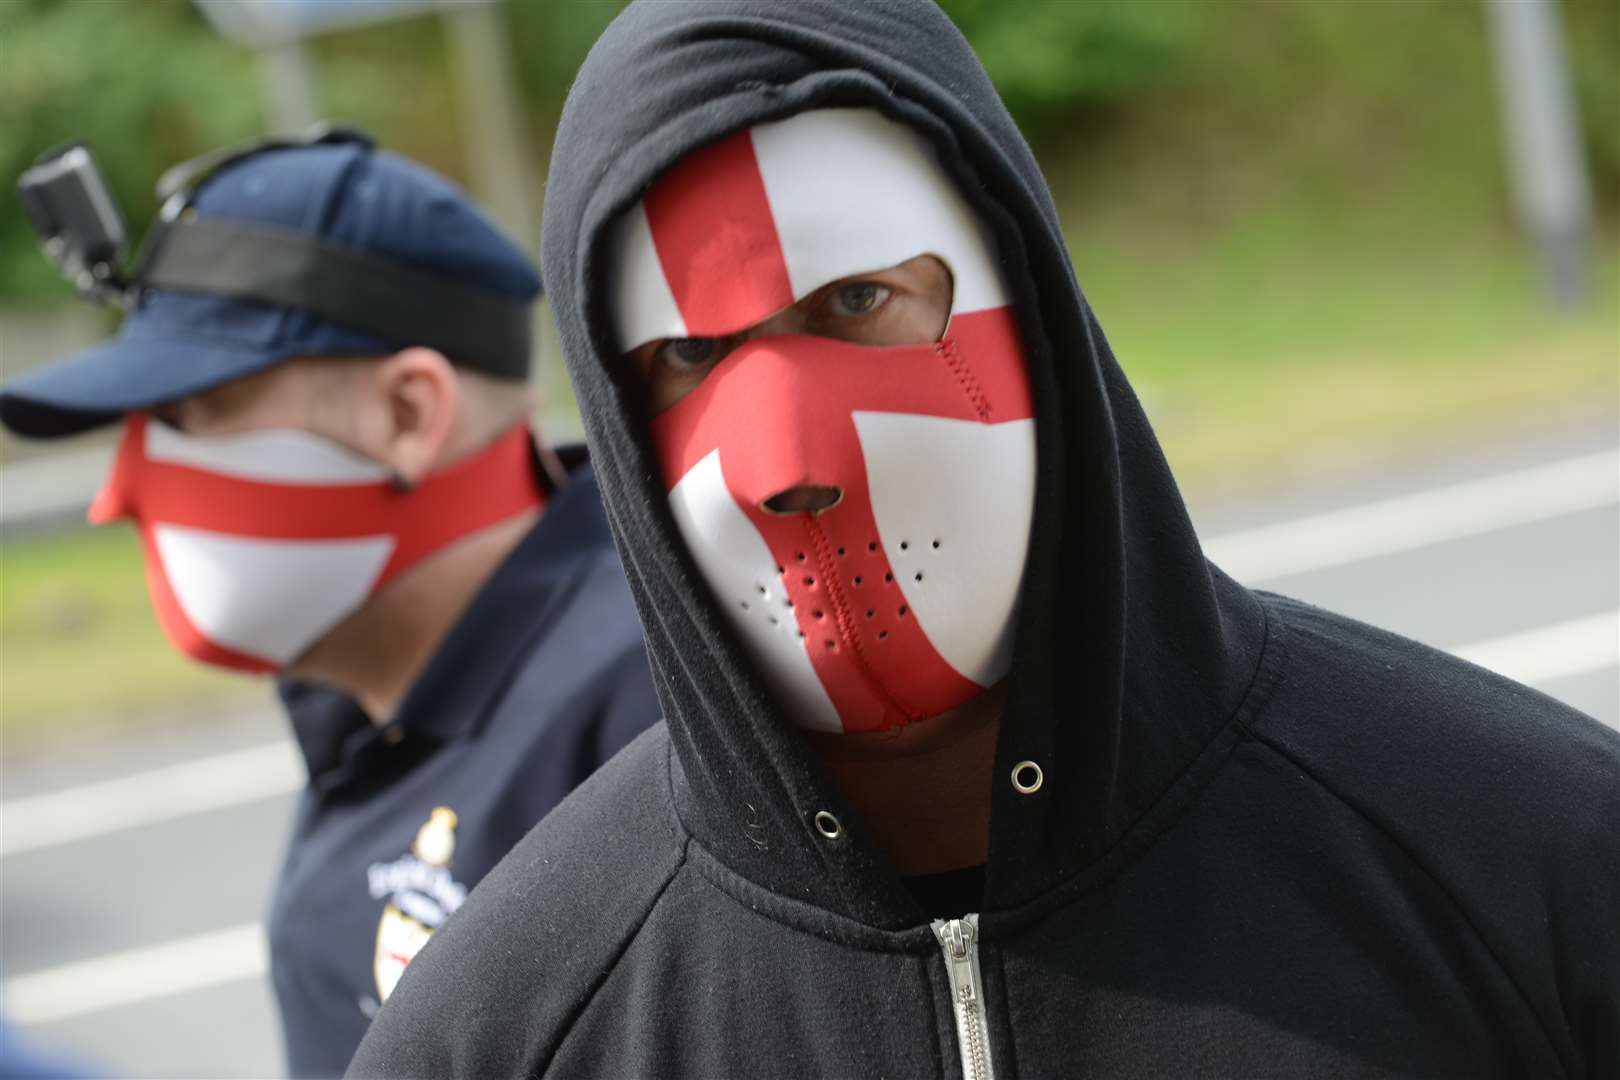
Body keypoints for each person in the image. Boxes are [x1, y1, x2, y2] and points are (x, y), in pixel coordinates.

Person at [348, 3, 1620, 1077]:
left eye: (861, 303)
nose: (792, 467)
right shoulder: (501, 1037)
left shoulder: (1530, 863)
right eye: (689, 356)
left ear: (1038, 313)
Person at [0, 130, 659, 1078]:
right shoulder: (372, 696)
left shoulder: (648, 714)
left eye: (193, 412)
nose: (118, 494)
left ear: (406, 416)